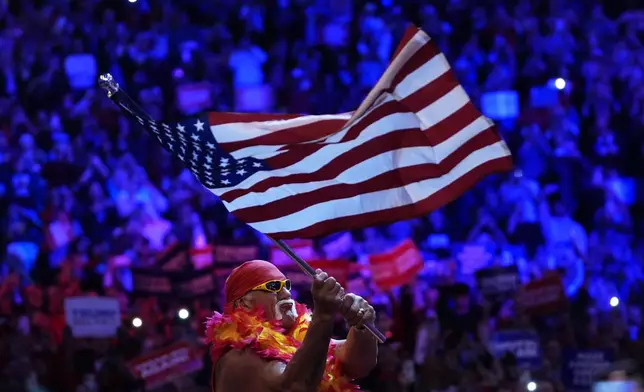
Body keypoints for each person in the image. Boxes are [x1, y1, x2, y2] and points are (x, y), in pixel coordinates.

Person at [206, 260, 378, 392]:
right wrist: (324, 315)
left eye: (286, 285)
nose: (286, 292)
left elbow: (356, 363)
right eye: (273, 286)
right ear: (245, 303)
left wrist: (361, 327)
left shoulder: (297, 337)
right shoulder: (237, 356)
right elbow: (296, 386)